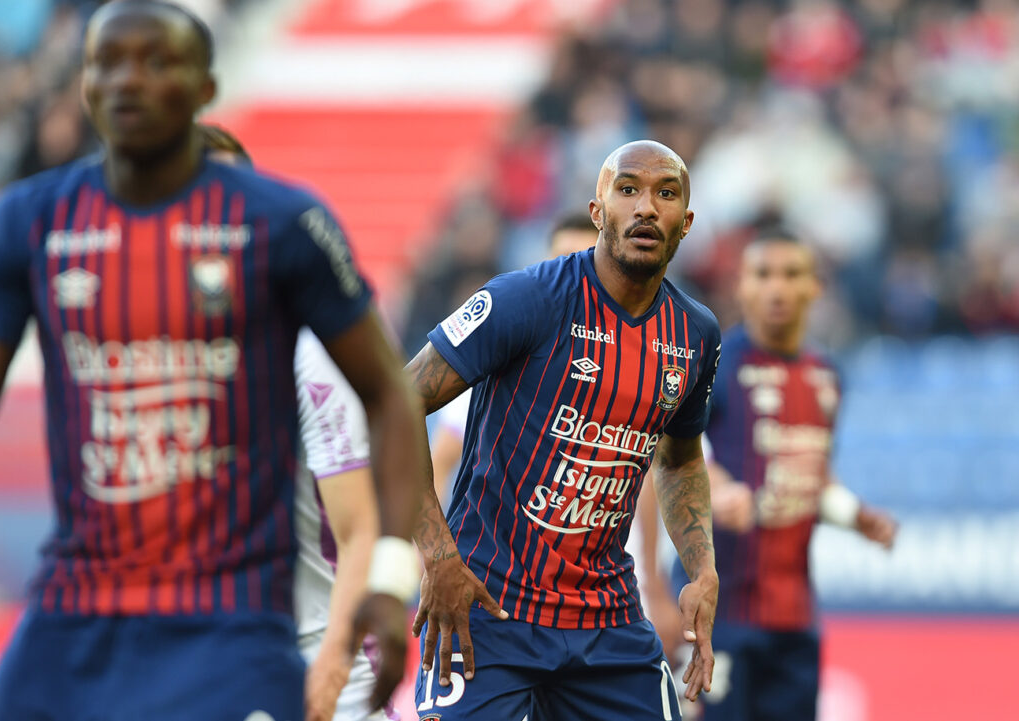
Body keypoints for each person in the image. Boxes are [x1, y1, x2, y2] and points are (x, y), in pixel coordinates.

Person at [0, 3, 426, 719]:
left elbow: (391, 393)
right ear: (83, 84)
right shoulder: (30, 221)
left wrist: (389, 574)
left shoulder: (284, 225)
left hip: (231, 619)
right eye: (106, 62)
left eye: (156, 62)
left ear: (203, 87)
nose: (127, 80)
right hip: (78, 606)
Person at [407, 139, 723, 720]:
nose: (646, 207)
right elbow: (397, 406)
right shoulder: (524, 299)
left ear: (687, 222)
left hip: (608, 622)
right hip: (489, 608)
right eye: (627, 190)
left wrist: (701, 570)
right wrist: (437, 556)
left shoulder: (696, 334)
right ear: (599, 211)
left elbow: (679, 460)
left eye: (665, 193)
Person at [641, 226, 898, 721]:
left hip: (796, 618)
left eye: (791, 274)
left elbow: (810, 474)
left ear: (814, 287)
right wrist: (658, 586)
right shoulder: (709, 366)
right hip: (720, 611)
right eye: (763, 274)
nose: (777, 287)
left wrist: (856, 516)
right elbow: (663, 460)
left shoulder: (826, 375)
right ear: (741, 286)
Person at [198, 121, 402, 721]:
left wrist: (333, 661)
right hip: (199, 656)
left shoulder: (309, 355)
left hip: (310, 649)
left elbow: (358, 526)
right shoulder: (154, 349)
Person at [428, 210, 602, 503]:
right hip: (502, 544)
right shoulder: (499, 352)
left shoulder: (641, 358)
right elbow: (440, 459)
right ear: (546, 263)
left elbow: (673, 466)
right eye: (563, 259)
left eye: (586, 260)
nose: (575, 273)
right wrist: (433, 548)